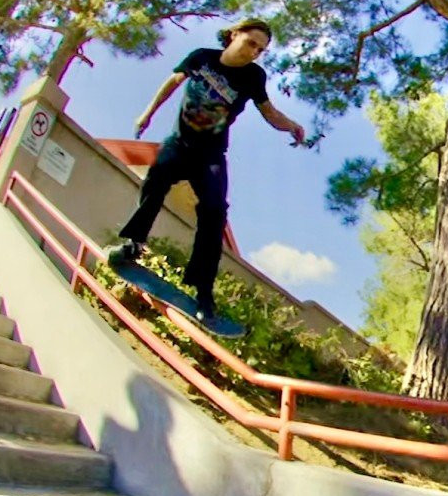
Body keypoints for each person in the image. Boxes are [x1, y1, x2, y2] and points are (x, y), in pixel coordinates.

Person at [109, 18, 305, 323]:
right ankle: (133, 243)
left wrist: (291, 125)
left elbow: (269, 112)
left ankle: (203, 291)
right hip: (179, 143)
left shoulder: (254, 76)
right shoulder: (202, 57)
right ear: (234, 35)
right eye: (251, 43)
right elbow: (171, 83)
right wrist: (147, 113)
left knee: (215, 212)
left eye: (260, 49)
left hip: (211, 155)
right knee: (156, 180)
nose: (254, 52)